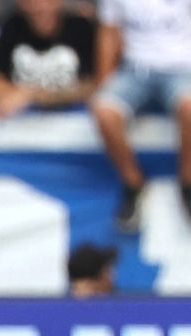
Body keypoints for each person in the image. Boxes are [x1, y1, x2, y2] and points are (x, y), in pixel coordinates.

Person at [90, 0, 191, 231]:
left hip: (183, 69)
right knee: (104, 111)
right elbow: (109, 31)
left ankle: (188, 184)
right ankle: (133, 183)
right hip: (135, 70)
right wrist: (103, 81)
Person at [0, 0, 95, 120]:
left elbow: (92, 85)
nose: (40, 7)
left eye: (48, 2)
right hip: (21, 126)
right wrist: (13, 93)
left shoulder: (80, 29)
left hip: (76, 125)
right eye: (31, 2)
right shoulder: (13, 27)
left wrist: (34, 95)